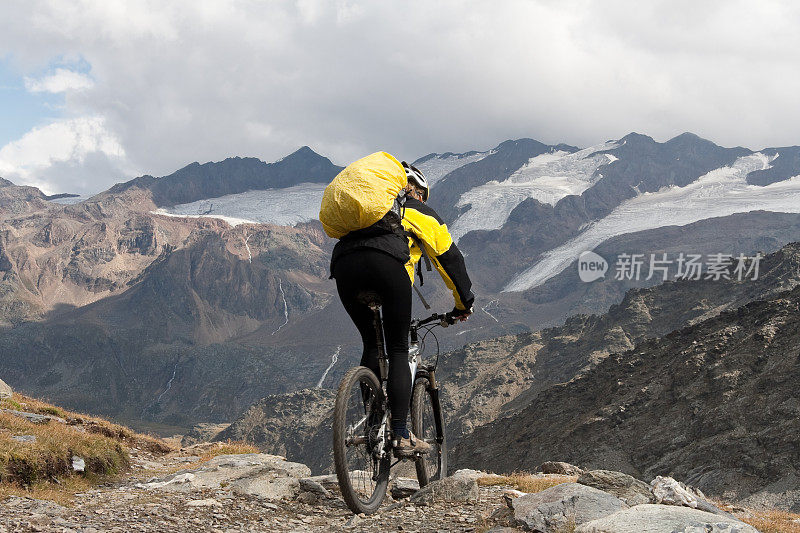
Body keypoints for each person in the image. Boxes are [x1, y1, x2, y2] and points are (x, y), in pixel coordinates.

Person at [330, 160, 474, 456]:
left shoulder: (368, 216)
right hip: (385, 267)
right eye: (422, 194)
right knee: (397, 348)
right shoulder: (418, 212)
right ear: (417, 191)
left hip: (344, 265)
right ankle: (398, 433)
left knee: (371, 343)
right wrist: (463, 303)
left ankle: (373, 424)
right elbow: (450, 260)